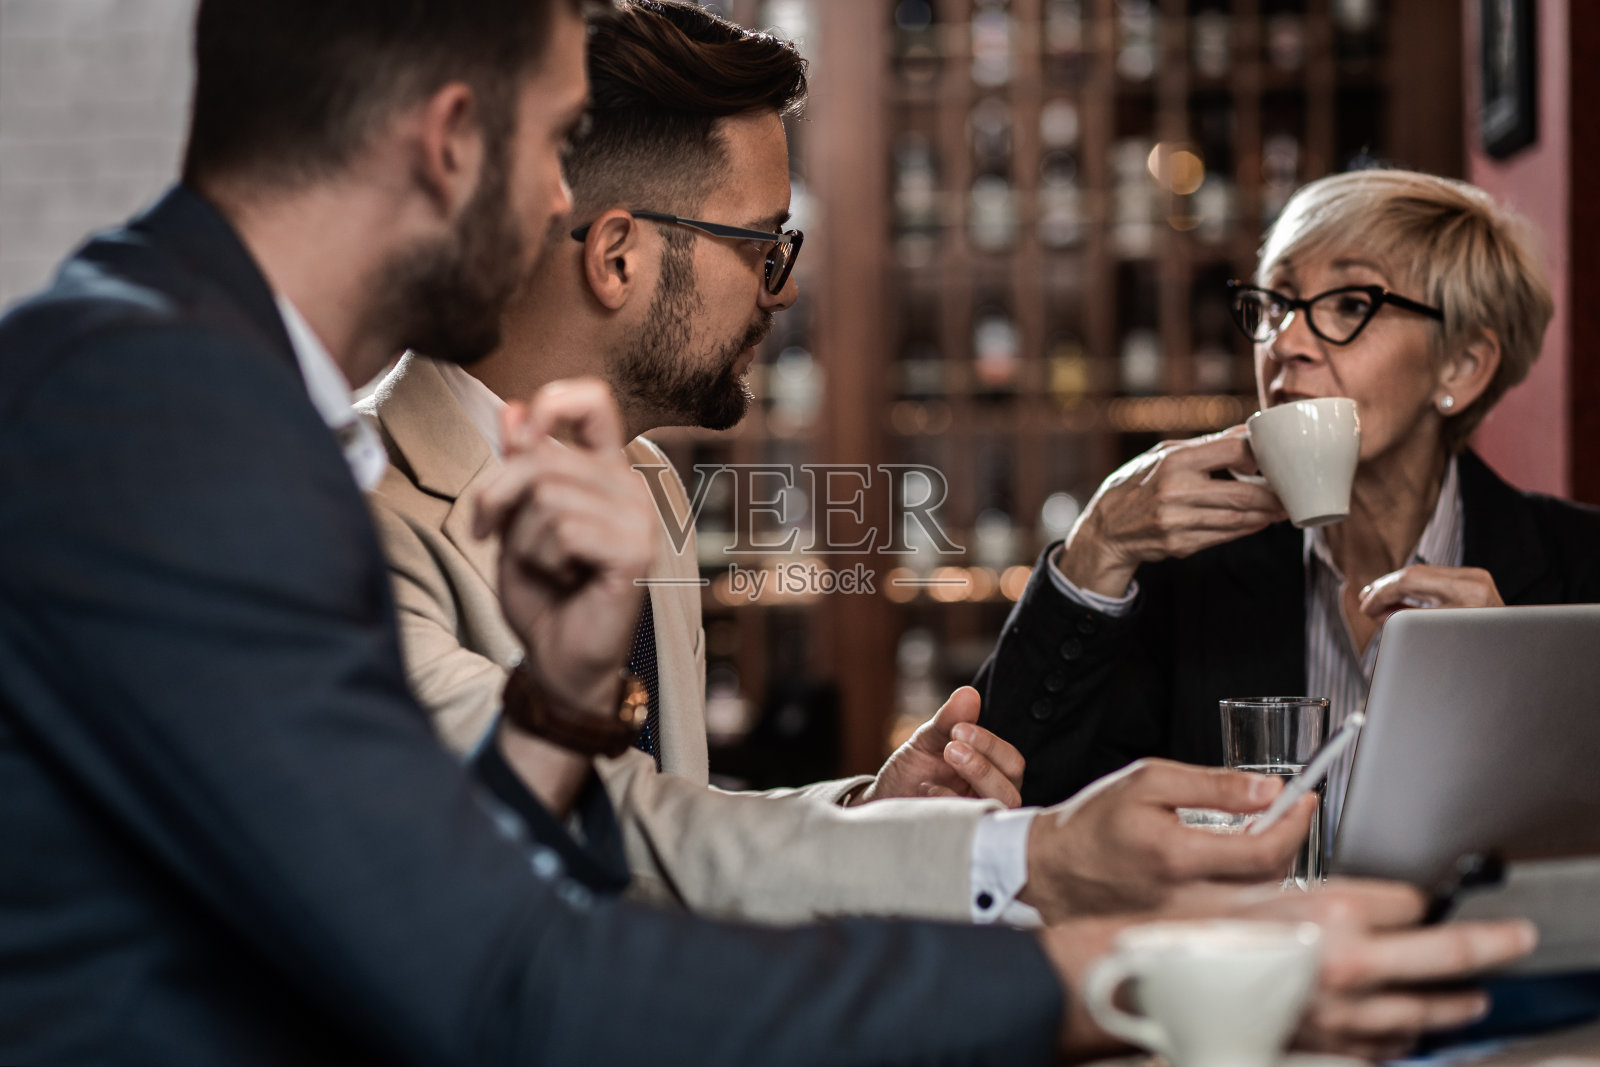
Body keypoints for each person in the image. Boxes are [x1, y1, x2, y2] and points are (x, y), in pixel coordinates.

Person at [361, 0, 1317, 927]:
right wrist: (1021, 854)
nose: (780, 295)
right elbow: (604, 838)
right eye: (763, 247)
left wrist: (873, 812)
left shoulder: (644, 480)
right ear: (617, 257)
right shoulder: (363, 517)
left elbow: (674, 819)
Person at [974, 169, 1600, 822]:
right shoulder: (1186, 569)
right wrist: (1096, 548)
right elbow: (1000, 798)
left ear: (1462, 367)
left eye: (1352, 306)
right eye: (1274, 303)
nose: (1284, 343)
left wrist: (1522, 698)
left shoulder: (1580, 568)